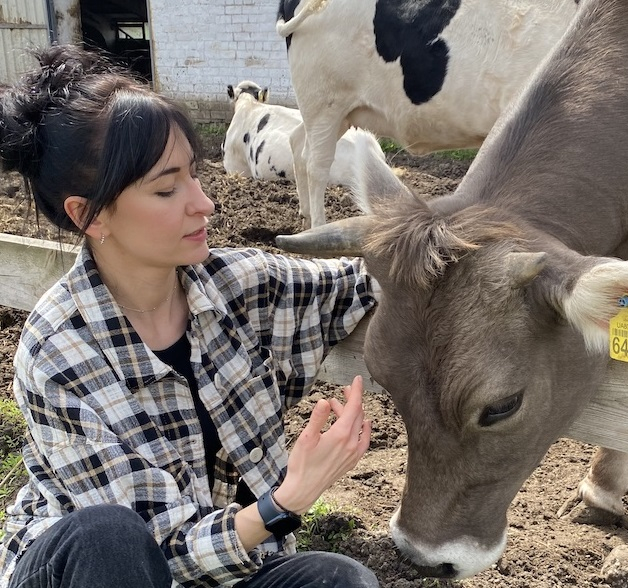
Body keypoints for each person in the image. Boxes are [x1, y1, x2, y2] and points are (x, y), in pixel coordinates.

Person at [0, 44, 381, 588]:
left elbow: (370, 278)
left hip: (222, 569)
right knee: (109, 536)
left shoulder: (241, 288)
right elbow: (156, 554)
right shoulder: (57, 350)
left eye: (194, 176)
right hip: (102, 573)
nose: (203, 203)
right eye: (166, 188)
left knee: (340, 580)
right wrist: (287, 500)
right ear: (89, 214)